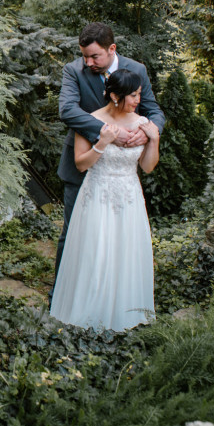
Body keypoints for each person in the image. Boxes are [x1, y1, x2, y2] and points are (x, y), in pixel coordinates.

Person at [49, 68, 160, 331]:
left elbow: (147, 167)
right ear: (113, 96)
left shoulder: (142, 123)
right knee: (95, 252)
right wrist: (102, 142)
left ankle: (125, 314)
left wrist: (153, 140)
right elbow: (80, 164)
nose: (136, 101)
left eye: (139, 95)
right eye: (132, 95)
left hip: (130, 197)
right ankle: (89, 314)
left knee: (125, 253)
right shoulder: (91, 121)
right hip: (97, 195)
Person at [52, 23, 165, 282]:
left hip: (119, 171)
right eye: (85, 56)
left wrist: (147, 131)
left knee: (116, 236)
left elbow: (153, 110)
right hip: (81, 163)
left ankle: (109, 294)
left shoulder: (137, 70)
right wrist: (109, 132)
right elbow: (68, 110)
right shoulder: (73, 71)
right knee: (73, 233)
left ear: (111, 48)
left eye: (95, 56)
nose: (88, 61)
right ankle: (61, 294)